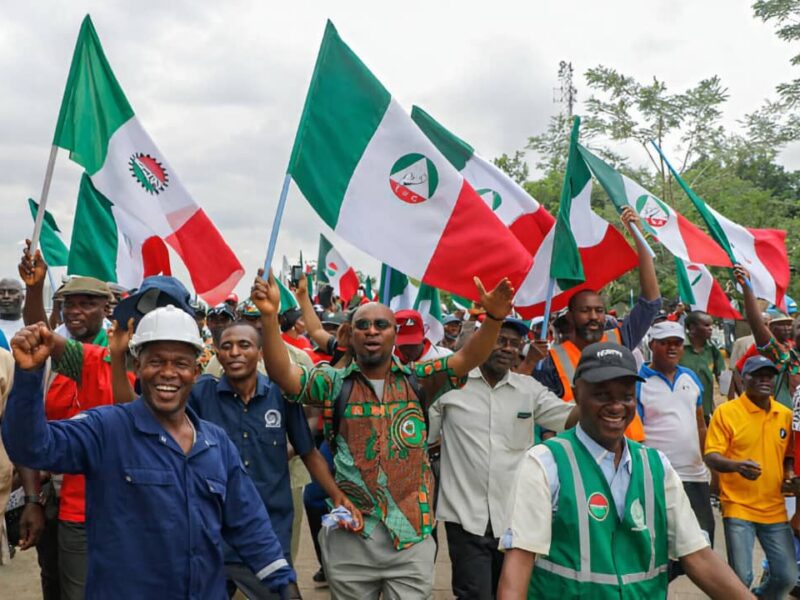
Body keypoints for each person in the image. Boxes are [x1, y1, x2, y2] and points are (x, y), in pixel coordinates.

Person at [251, 268, 515, 599]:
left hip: (411, 540)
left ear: (394, 334)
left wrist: (493, 319)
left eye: (381, 325)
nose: (371, 331)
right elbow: (284, 374)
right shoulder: (333, 383)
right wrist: (270, 317)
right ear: (351, 334)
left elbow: (466, 358)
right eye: (362, 325)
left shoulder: (420, 378)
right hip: (352, 534)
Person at [2, 308, 296, 598]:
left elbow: (249, 523)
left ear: (195, 371)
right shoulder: (106, 429)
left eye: (180, 363)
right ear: (138, 368)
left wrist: (285, 584)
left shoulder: (216, 444)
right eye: (156, 361)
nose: (168, 372)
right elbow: (31, 447)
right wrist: (29, 376)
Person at [496, 342, 752, 599]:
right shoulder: (545, 463)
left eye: (627, 396)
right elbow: (519, 562)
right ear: (577, 394)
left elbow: (697, 555)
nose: (617, 406)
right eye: (602, 395)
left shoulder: (656, 467)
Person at [189, 321, 359, 599]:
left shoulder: (281, 396)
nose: (234, 352)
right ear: (217, 354)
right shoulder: (199, 396)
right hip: (213, 533)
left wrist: (336, 495)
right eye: (226, 346)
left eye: (244, 345)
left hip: (268, 532)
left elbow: (308, 452)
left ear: (260, 353)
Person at [427, 317, 576, 599]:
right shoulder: (450, 388)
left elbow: (568, 417)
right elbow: (425, 441)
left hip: (514, 520)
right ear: (480, 341)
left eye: (514, 343)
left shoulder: (528, 390)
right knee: (475, 595)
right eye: (499, 340)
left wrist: (597, 401)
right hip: (465, 518)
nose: (507, 348)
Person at [533, 208, 659, 441]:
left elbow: (650, 303)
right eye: (585, 310)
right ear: (570, 317)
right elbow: (546, 419)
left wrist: (639, 238)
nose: (594, 317)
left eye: (599, 311)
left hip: (629, 449)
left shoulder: (620, 340)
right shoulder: (551, 362)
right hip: (582, 456)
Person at [704, 355, 797, 597]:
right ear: (743, 379)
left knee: (787, 576)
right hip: (738, 506)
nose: (764, 379)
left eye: (769, 375)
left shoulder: (784, 414)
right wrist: (737, 466)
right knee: (740, 577)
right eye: (757, 375)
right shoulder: (726, 412)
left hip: (774, 508)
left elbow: (788, 454)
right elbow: (711, 456)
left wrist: (788, 473)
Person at [636, 321, 714, 578]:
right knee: (657, 545)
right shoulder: (639, 381)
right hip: (658, 476)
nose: (672, 348)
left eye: (677, 343)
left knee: (703, 542)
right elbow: (635, 431)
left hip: (694, 475)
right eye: (665, 342)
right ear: (652, 345)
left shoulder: (690, 378)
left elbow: (700, 423)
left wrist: (708, 463)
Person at [679, 311, 726, 421]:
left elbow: (723, 376)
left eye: (711, 325)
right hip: (682, 409)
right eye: (706, 325)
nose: (711, 329)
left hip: (705, 409)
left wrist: (729, 398)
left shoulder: (713, 350)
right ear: (692, 327)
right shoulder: (679, 348)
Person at [0, 278, 24, 343]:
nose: (6, 296)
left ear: (23, 297)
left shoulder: (30, 325)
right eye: (1, 292)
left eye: (12, 292)